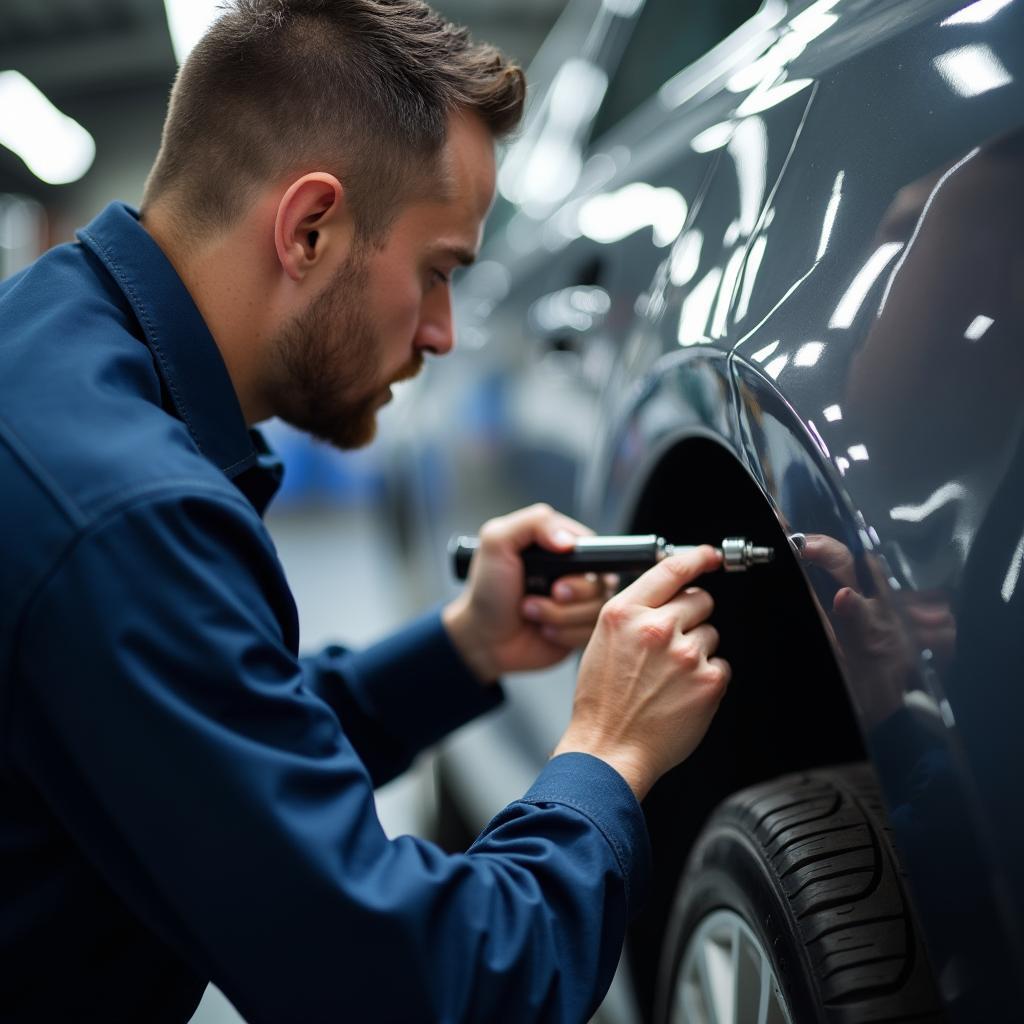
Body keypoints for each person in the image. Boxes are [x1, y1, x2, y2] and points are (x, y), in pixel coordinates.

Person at [0, 2, 729, 1021]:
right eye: (437, 272)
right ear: (309, 229)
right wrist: (607, 750)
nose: (441, 335)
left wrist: (463, 650)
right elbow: (425, 983)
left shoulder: (50, 353)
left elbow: (205, 743)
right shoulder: (124, 510)